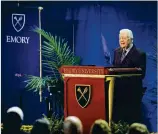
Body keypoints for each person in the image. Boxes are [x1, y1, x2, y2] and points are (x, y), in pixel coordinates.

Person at [112, 29, 146, 124]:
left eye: (124, 38)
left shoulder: (139, 54)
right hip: (118, 93)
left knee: (132, 120)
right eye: (120, 38)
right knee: (118, 119)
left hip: (132, 93)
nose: (121, 40)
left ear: (131, 39)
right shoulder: (116, 52)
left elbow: (141, 74)